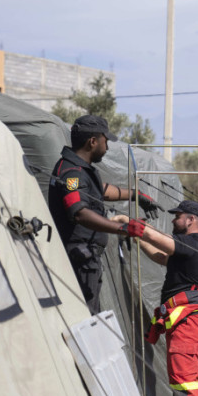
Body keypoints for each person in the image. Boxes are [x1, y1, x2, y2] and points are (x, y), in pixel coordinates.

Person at [113, 200, 198, 396]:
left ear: (191, 220)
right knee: (190, 383)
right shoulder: (187, 249)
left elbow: (162, 241)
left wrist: (129, 223)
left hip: (189, 323)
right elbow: (160, 255)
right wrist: (135, 238)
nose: (173, 220)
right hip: (188, 322)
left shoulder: (193, 243)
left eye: (178, 216)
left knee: (185, 385)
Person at [48, 114, 162, 314]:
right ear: (93, 141)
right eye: (105, 140)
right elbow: (79, 213)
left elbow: (100, 190)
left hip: (85, 258)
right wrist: (124, 228)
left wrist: (136, 195)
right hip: (80, 258)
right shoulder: (72, 172)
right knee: (86, 315)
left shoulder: (78, 169)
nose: (107, 147)